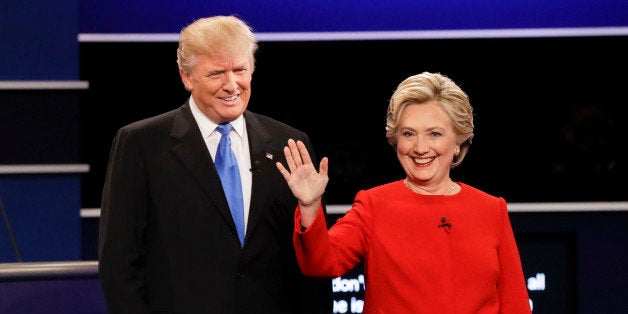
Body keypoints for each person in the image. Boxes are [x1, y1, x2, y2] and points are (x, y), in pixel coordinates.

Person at [98, 15, 331, 313]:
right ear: (186, 76)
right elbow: (119, 260)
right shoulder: (141, 144)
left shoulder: (289, 144)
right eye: (217, 73)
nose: (231, 85)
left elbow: (311, 259)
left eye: (240, 70)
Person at [276, 71, 532, 313]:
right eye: (409, 134)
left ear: (458, 141)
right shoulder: (374, 205)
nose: (420, 148)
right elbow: (322, 262)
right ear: (395, 140)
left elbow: (514, 303)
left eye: (434, 134)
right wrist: (309, 206)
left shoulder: (490, 210)